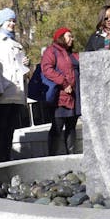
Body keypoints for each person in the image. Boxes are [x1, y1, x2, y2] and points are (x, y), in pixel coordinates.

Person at [0, 8, 30, 163]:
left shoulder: (16, 43)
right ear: (1, 22)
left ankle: (6, 163)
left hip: (14, 95)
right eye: (9, 20)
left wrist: (25, 65)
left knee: (8, 134)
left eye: (14, 20)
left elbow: (17, 69)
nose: (12, 23)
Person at [41, 27, 82, 155]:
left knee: (71, 128)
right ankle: (52, 158)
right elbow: (47, 69)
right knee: (57, 128)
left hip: (75, 97)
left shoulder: (72, 53)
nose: (72, 39)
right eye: (69, 36)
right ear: (61, 37)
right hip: (60, 98)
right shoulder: (52, 51)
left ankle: (72, 156)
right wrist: (64, 83)